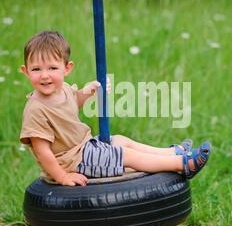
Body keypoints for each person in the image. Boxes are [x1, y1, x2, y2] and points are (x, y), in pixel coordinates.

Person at [20, 31, 211, 186]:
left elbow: (72, 105)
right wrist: (62, 176)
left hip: (84, 148)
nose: (45, 76)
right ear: (26, 71)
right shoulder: (36, 109)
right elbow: (41, 150)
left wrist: (88, 92)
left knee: (120, 140)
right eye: (36, 69)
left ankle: (171, 152)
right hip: (72, 162)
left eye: (52, 68)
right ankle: (182, 164)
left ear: (67, 68)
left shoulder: (63, 90)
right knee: (124, 155)